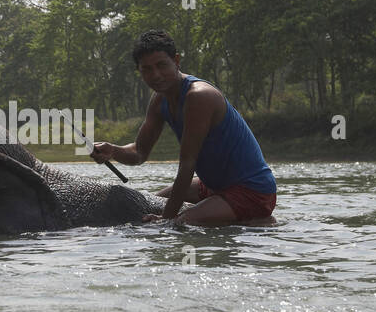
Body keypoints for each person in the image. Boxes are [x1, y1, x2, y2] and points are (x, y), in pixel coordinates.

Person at [91, 29, 277, 226]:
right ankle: (234, 215)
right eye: (147, 69)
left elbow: (188, 164)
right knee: (144, 204)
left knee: (176, 224)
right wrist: (112, 151)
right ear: (139, 71)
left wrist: (168, 218)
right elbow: (138, 153)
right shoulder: (159, 100)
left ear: (176, 61)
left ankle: (254, 218)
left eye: (161, 65)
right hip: (212, 187)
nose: (156, 75)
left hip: (252, 190)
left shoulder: (199, 96)